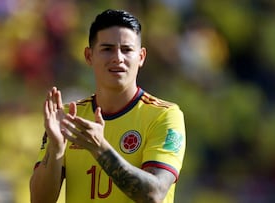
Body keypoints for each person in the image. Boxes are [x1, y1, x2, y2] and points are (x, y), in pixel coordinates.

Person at [30, 9, 186, 203]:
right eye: (107, 49)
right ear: (89, 56)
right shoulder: (69, 117)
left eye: (127, 50)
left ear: (141, 57)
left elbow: (154, 194)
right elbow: (40, 201)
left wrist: (100, 149)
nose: (118, 58)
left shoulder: (164, 116)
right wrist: (56, 148)